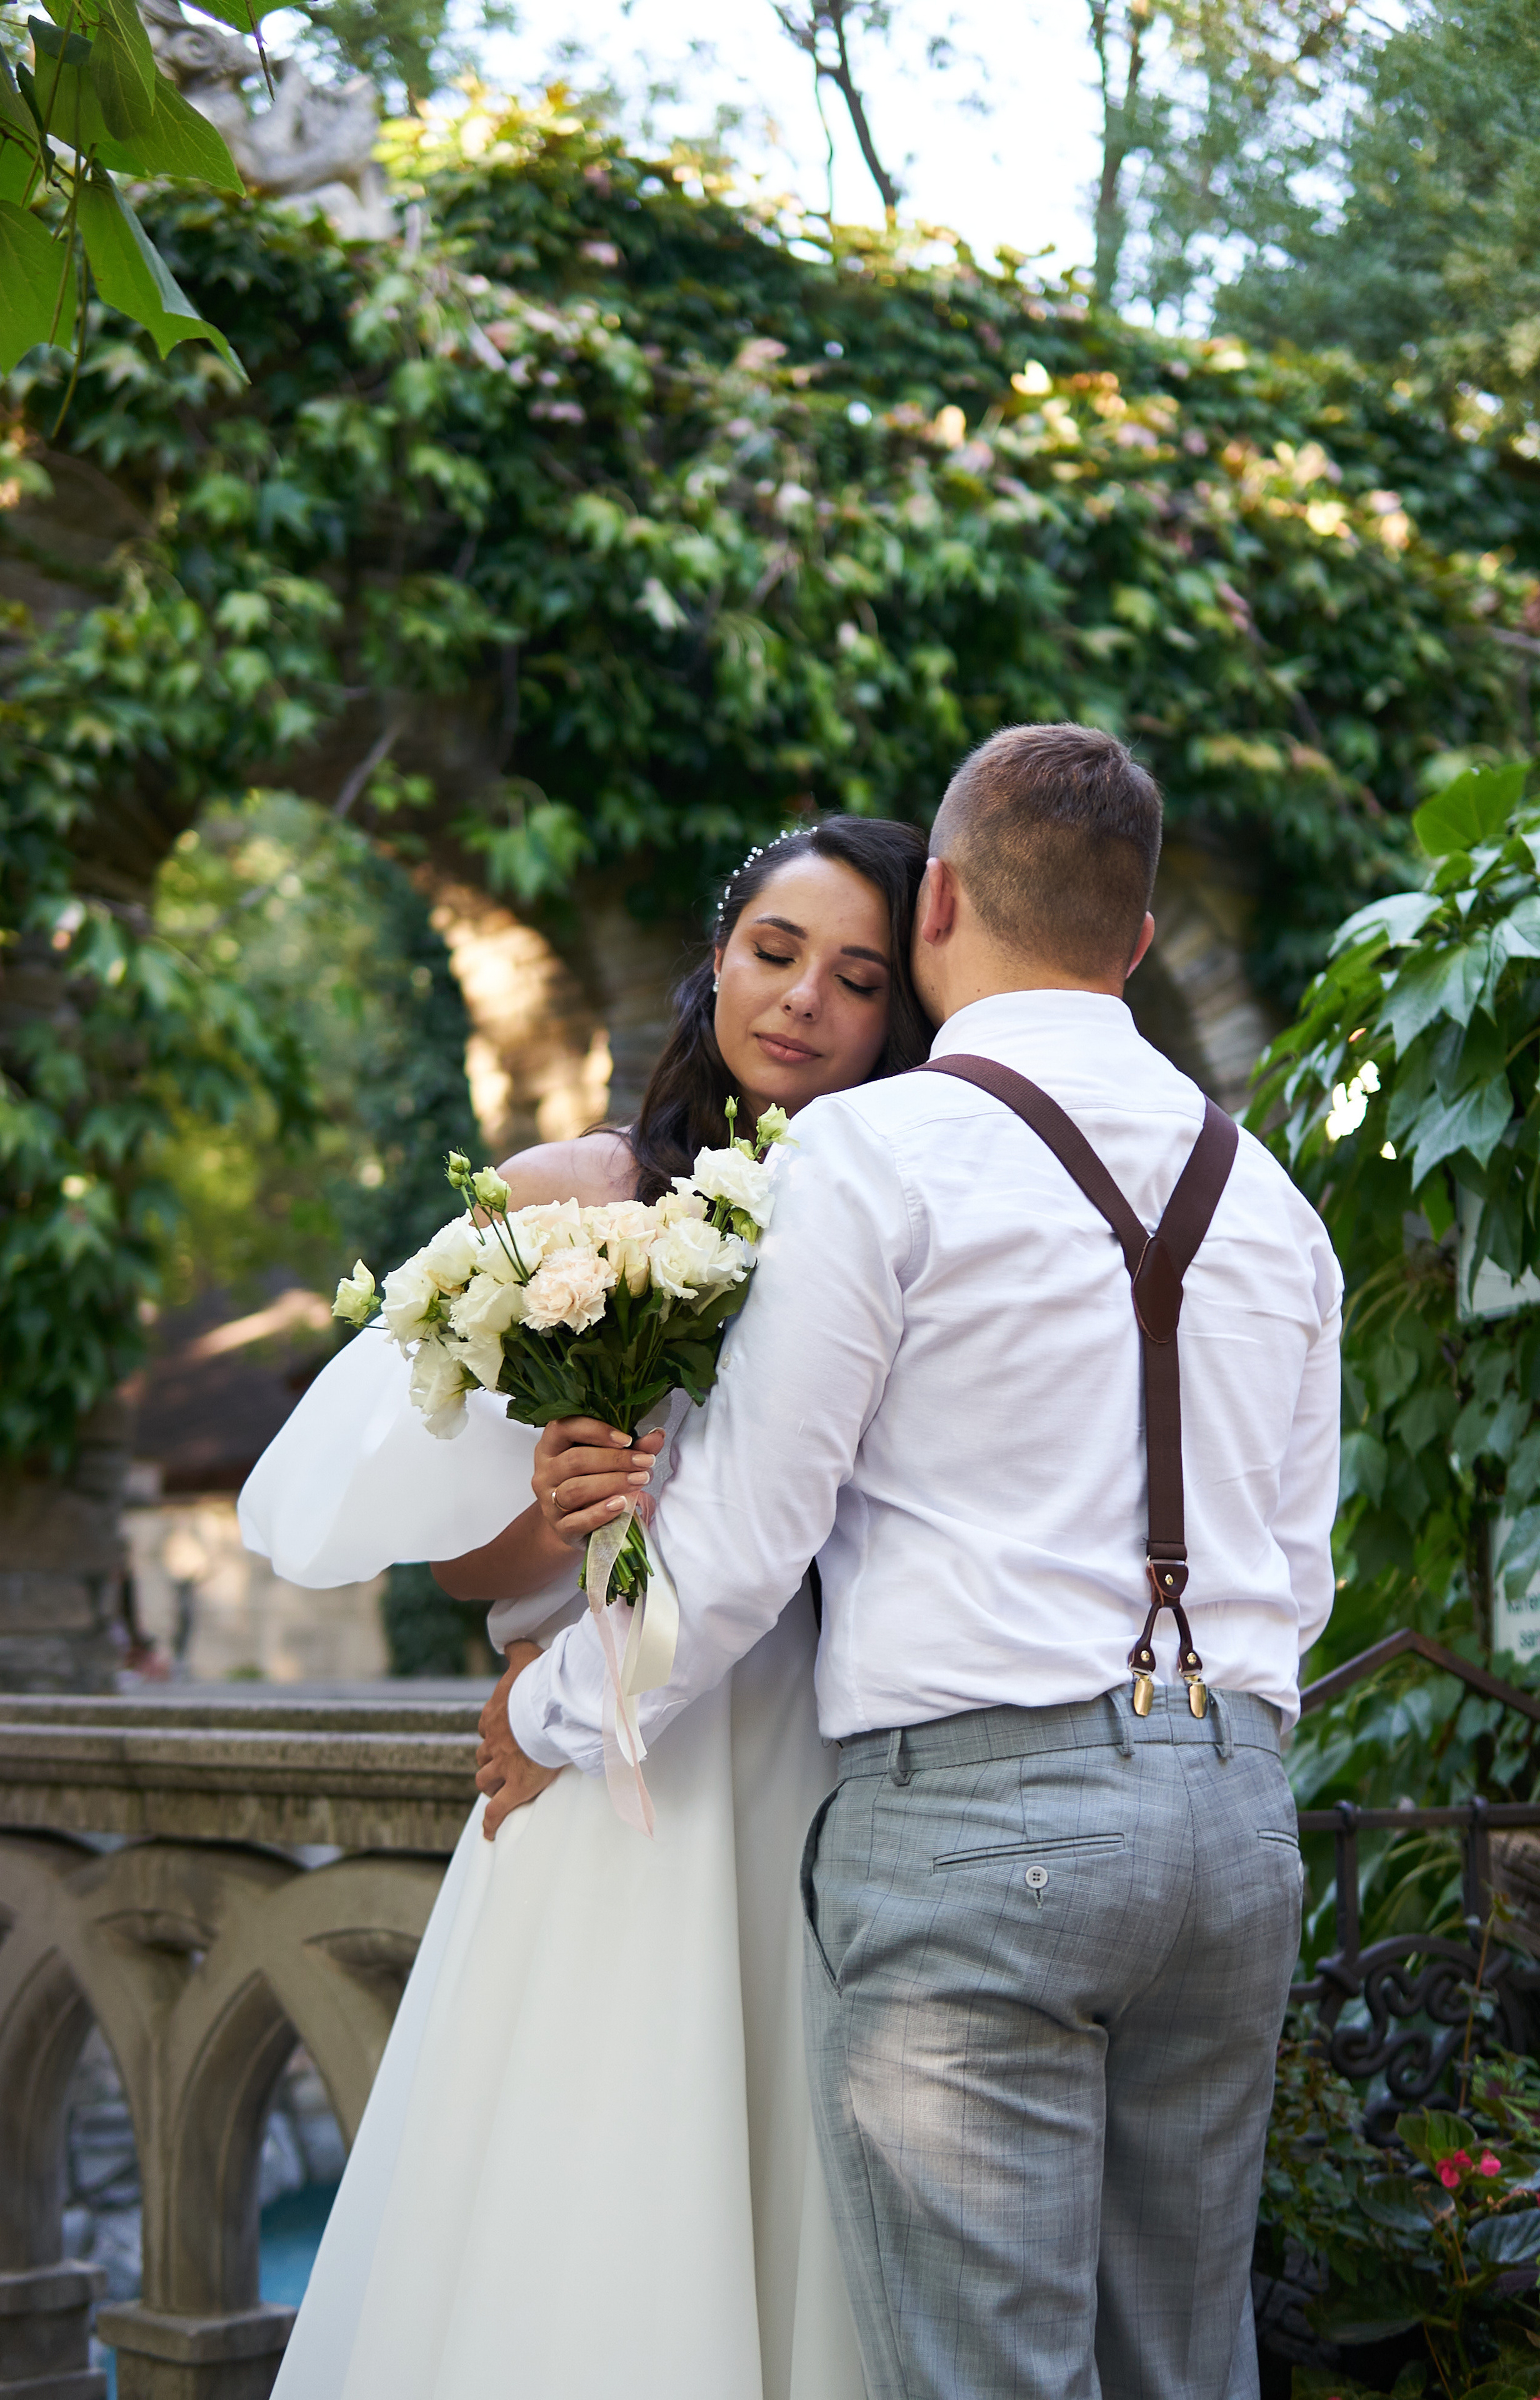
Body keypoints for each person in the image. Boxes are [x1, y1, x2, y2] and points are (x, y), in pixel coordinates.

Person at [486, 723, 1342, 2400]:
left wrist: (548, 1711)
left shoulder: (870, 1162)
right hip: (1238, 1817)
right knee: (1189, 2367)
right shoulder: (1272, 1200)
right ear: (1139, 939)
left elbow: (736, 1547)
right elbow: (1299, 1569)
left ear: (938, 899)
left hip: (982, 1840)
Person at [240, 815, 932, 2400]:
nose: (803, 1003)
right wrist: (551, 1499)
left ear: (895, 1018)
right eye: (774, 953)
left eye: (855, 978)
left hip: (815, 1756)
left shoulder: (892, 1215)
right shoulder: (583, 1196)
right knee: (588, 2176)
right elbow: (455, 1566)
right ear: (715, 959)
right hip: (596, 1753)